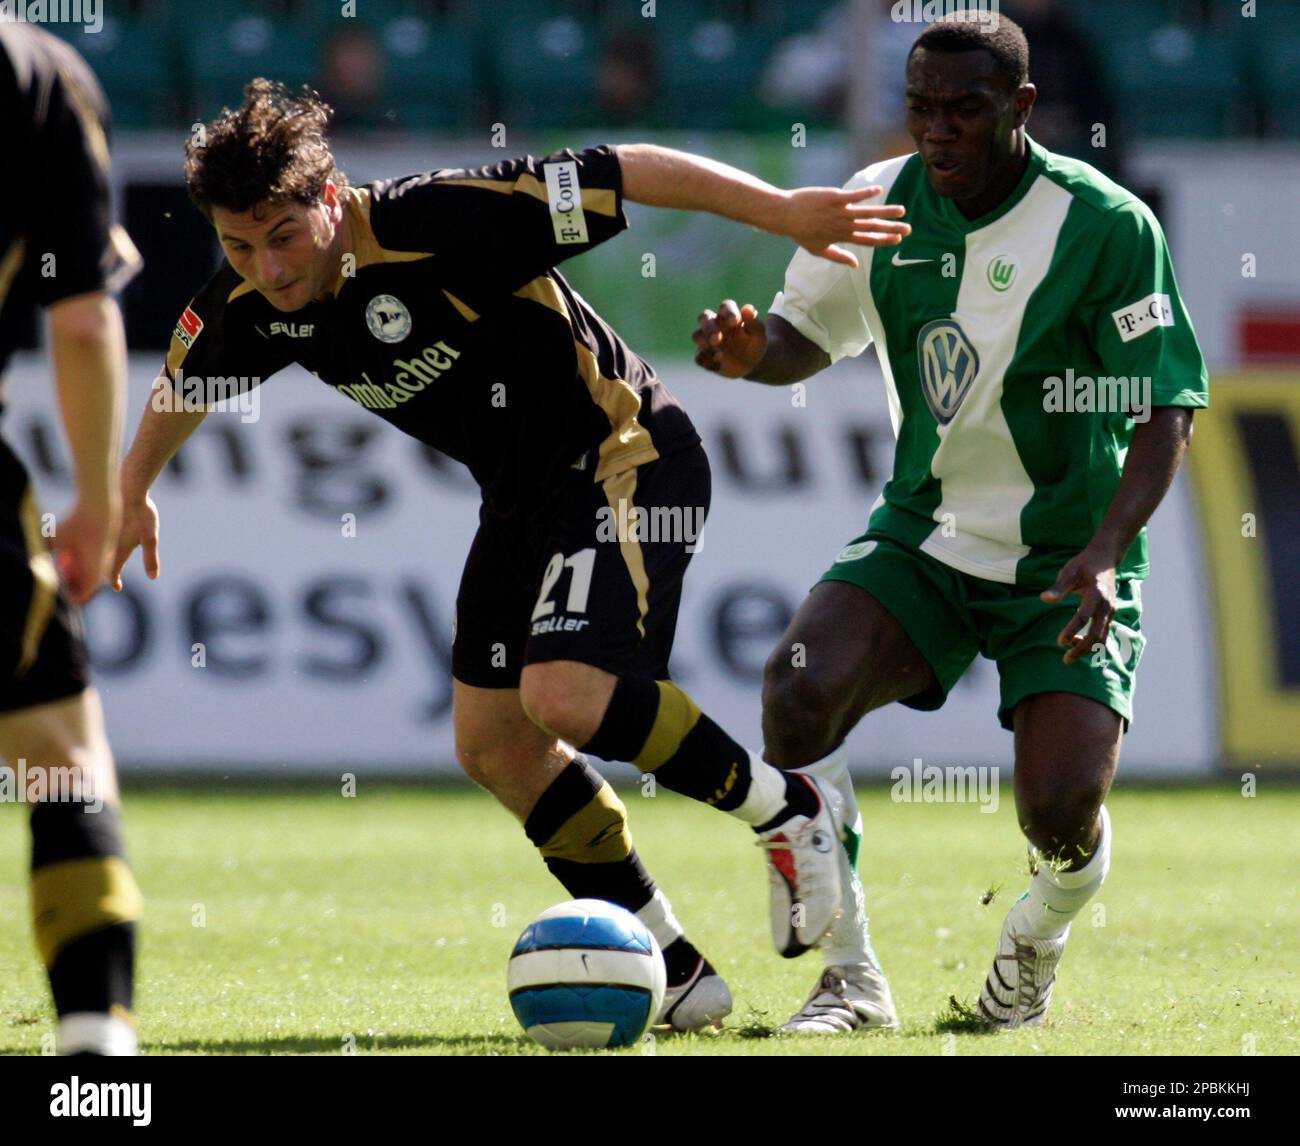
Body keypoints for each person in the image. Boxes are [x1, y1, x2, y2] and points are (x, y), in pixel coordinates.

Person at [108, 80, 910, 1032]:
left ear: (330, 200)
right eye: (239, 245)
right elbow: (184, 378)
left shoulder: (439, 217)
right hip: (522, 501)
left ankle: (789, 810)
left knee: (565, 695)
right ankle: (676, 969)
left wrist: (784, 211)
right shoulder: (249, 293)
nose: (268, 269)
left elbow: (629, 168)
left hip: (628, 454)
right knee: (495, 745)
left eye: (283, 236)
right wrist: (130, 492)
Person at [694, 10, 1207, 1033]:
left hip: (1068, 559)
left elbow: (1167, 407)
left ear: (1019, 108)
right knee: (797, 691)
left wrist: (1107, 549)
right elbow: (807, 334)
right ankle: (849, 979)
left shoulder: (1104, 224)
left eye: (962, 111)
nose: (935, 131)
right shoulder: (876, 206)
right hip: (925, 536)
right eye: (920, 108)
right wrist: (758, 354)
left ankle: (1038, 937)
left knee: (1061, 817)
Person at [0, 22, 144, 1056]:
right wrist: (96, 497)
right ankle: (93, 1049)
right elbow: (84, 321)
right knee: (59, 755)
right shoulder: (38, 74)